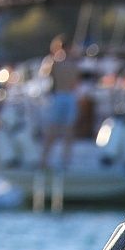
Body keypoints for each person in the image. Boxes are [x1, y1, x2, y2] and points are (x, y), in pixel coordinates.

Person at [37, 35, 80, 172]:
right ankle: (52, 161)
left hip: (63, 96)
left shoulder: (59, 62)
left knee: (62, 130)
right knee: (60, 130)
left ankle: (54, 161)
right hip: (64, 96)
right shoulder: (64, 62)